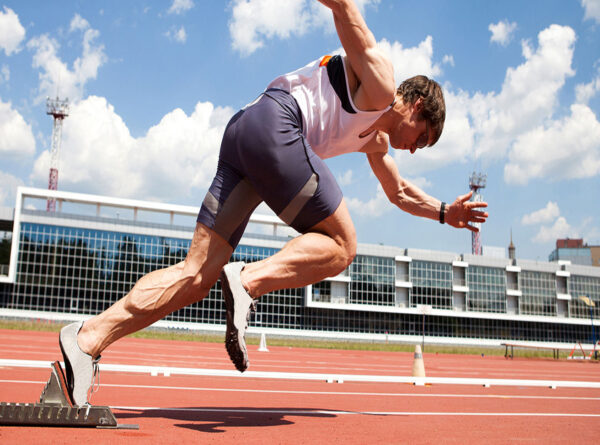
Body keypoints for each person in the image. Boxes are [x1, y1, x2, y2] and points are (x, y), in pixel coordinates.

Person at [59, 0, 488, 406]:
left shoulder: (374, 139)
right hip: (278, 125)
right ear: (416, 106)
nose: (415, 149)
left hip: (244, 134)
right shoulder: (379, 84)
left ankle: (87, 339)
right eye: (422, 139)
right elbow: (344, 10)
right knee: (343, 245)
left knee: (195, 274)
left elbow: (398, 192)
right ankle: (247, 281)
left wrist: (444, 212)